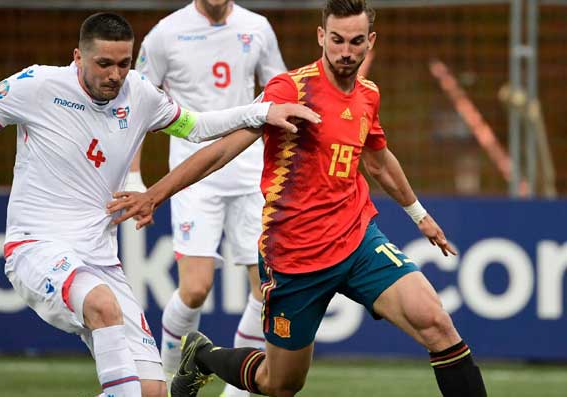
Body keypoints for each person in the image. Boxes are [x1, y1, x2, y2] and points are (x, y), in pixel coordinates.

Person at [0, 12, 319, 397]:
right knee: (102, 304)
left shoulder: (140, 94)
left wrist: (262, 110)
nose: (115, 74)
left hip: (100, 260)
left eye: (123, 63)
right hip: (35, 248)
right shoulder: (37, 85)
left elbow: (195, 128)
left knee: (151, 390)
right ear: (78, 57)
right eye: (104, 63)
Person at [106, 1, 489, 397]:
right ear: (321, 36)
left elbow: (377, 162)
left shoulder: (367, 95)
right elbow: (222, 150)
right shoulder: (291, 89)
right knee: (281, 382)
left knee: (437, 324)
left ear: (369, 42)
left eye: (356, 42)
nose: (345, 51)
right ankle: (203, 357)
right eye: (336, 40)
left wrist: (418, 214)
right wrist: (155, 194)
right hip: (295, 258)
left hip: (359, 243)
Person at [126, 1, 287, 395]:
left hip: (250, 174)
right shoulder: (166, 34)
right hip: (195, 173)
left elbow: (279, 93)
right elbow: (134, 105)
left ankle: (237, 389)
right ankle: (165, 376)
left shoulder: (258, 27)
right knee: (196, 288)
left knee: (264, 289)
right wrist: (132, 175)